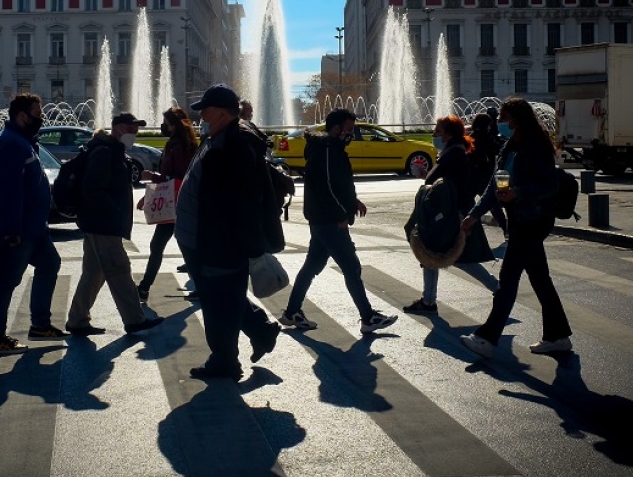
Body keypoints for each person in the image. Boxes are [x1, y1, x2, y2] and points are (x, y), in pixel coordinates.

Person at [175, 84, 284, 380]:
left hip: (216, 241)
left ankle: (224, 361)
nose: (201, 114)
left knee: (217, 303)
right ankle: (261, 331)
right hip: (202, 237)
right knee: (223, 296)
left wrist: (239, 245)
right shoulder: (219, 137)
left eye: (206, 109)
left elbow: (241, 201)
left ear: (222, 112)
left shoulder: (233, 145)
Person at [459, 97, 572, 357]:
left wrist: (518, 193)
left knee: (508, 279)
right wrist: (475, 215)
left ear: (517, 119)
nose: (500, 123)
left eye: (503, 118)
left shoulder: (536, 145)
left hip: (533, 220)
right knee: (540, 279)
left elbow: (549, 185)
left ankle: (487, 338)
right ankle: (558, 336)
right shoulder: (510, 147)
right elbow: (495, 184)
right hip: (519, 219)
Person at [279, 108, 398, 334]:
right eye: (349, 129)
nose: (351, 134)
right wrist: (342, 214)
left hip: (323, 219)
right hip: (329, 221)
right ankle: (368, 317)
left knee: (312, 266)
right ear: (336, 128)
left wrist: (354, 202)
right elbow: (327, 188)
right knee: (351, 267)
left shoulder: (330, 148)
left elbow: (336, 184)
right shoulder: (327, 150)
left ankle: (291, 312)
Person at [0, 94, 69, 355]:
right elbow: (9, 193)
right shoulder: (12, 145)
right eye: (38, 114)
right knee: (6, 282)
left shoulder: (23, 142)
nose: (41, 118)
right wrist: (10, 231)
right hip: (19, 230)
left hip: (34, 228)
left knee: (50, 264)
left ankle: (40, 325)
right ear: (22, 116)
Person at [65, 112, 165, 336]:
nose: (135, 133)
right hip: (103, 224)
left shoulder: (112, 150)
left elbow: (111, 183)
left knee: (93, 273)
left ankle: (77, 320)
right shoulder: (105, 152)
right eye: (131, 129)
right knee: (119, 269)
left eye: (136, 129)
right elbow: (94, 190)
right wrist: (115, 211)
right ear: (118, 129)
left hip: (97, 222)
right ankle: (134, 320)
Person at [403, 116, 480, 313]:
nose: (434, 134)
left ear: (448, 133)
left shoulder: (453, 155)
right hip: (449, 212)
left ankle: (500, 291)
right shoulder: (453, 152)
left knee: (457, 257)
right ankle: (428, 301)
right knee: (431, 253)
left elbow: (436, 180)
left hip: (449, 215)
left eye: (438, 130)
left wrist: (425, 175)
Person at [136, 106, 198, 302]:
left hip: (174, 202)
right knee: (179, 245)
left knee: (161, 245)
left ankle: (145, 287)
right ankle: (144, 287)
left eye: (166, 123)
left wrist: (152, 176)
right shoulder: (183, 143)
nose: (163, 126)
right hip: (178, 201)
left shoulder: (178, 145)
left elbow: (176, 175)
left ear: (174, 125)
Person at [470, 113, 508, 239]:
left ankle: (466, 230)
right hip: (485, 174)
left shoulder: (471, 137)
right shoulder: (488, 138)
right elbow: (497, 150)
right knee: (493, 204)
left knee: (467, 202)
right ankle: (506, 229)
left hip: (473, 175)